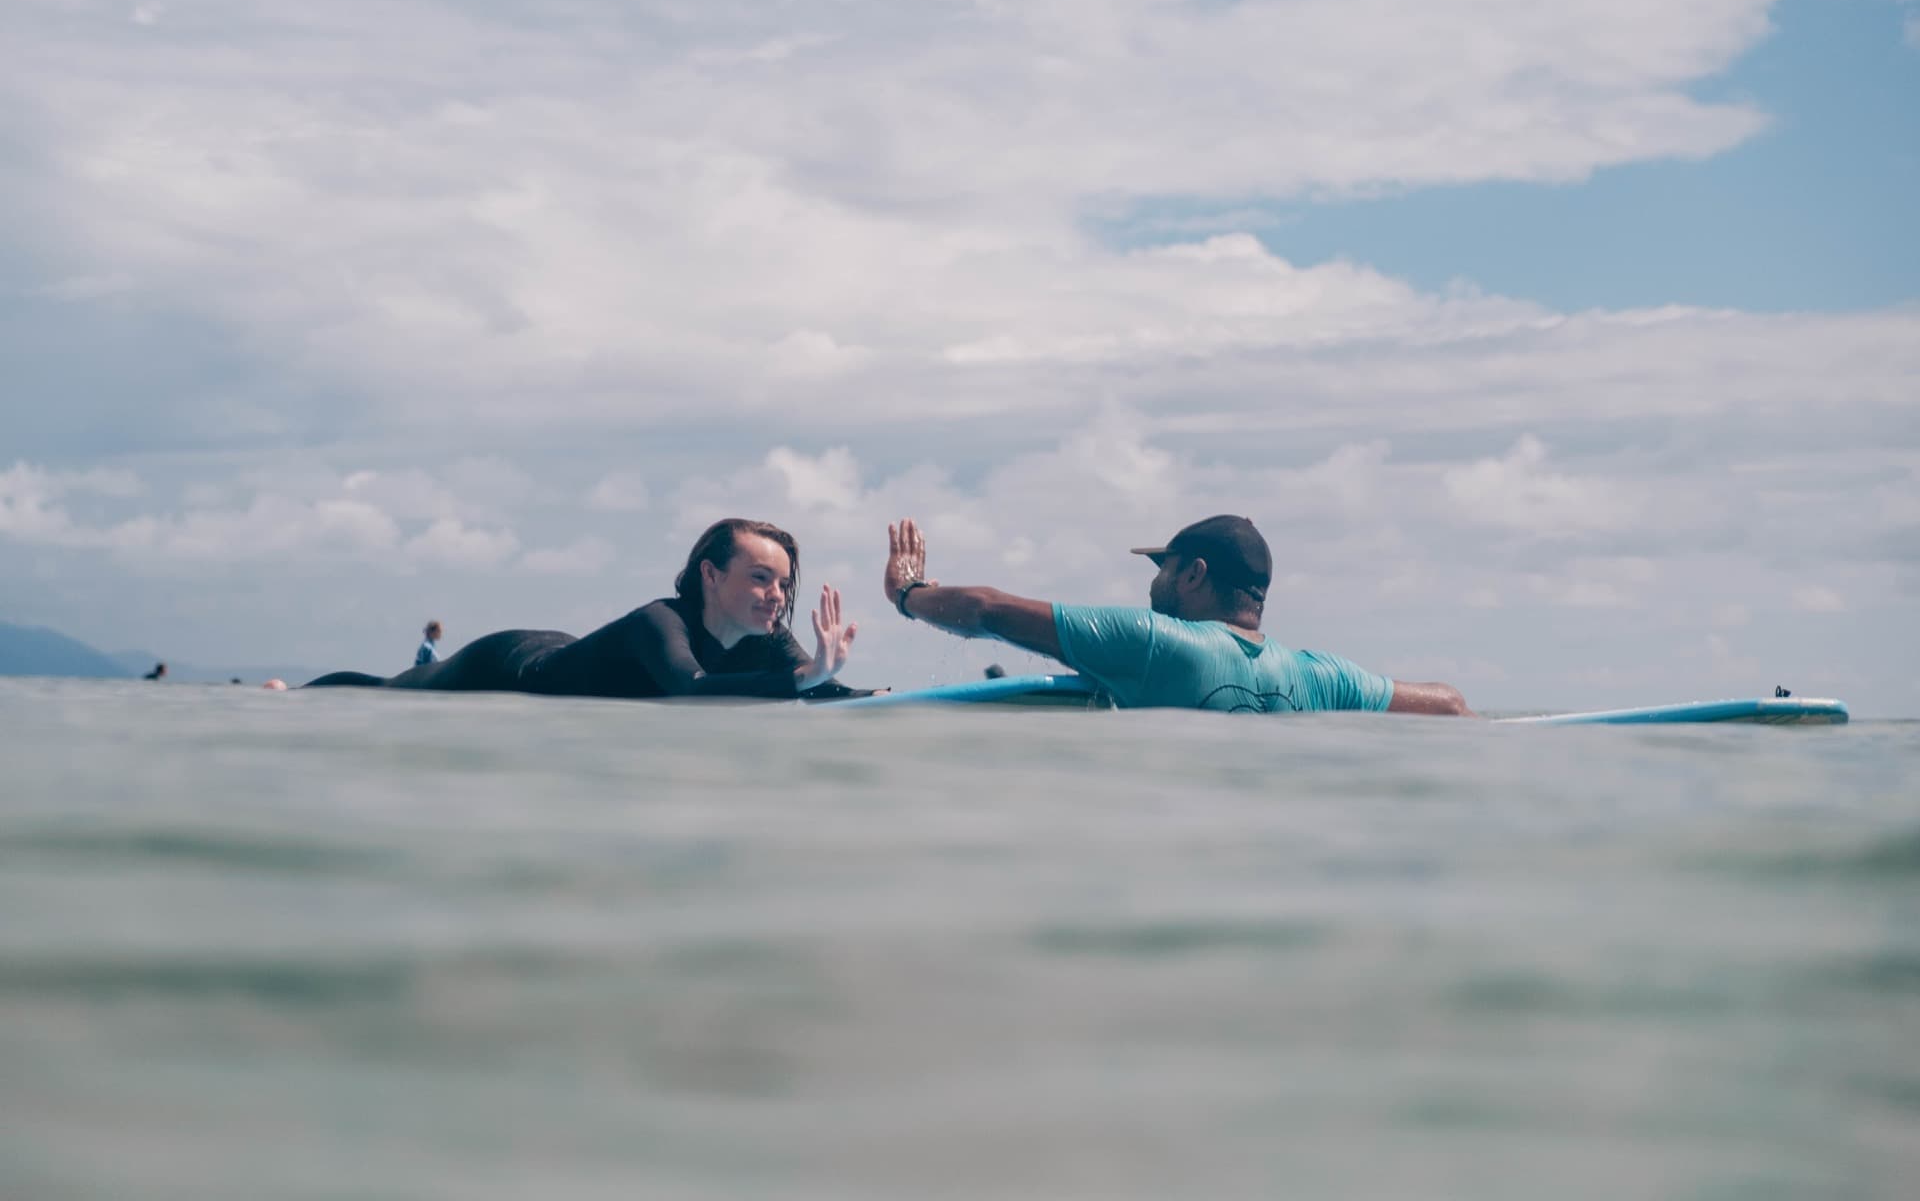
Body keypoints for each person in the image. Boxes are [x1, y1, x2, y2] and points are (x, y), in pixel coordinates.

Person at [882, 516, 1470, 715]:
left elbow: (988, 610)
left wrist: (908, 594)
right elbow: (1449, 704)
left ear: (1194, 575)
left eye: (1162, 568)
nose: (1154, 584)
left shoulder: (1156, 642)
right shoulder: (1322, 676)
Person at [306, 519, 862, 700]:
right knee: (390, 690)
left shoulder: (765, 637)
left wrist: (875, 695)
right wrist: (808, 676)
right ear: (711, 577)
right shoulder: (659, 622)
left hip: (568, 649)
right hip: (508, 665)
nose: (777, 596)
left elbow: (819, 687)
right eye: (760, 578)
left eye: (784, 585)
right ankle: (300, 695)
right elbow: (689, 689)